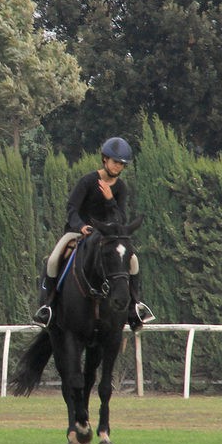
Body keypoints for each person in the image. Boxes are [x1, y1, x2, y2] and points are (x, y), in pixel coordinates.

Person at [32, 136, 155, 330]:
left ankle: (135, 306)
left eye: (122, 164)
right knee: (54, 259)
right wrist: (80, 226)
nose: (118, 167)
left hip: (108, 238)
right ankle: (48, 306)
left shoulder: (121, 188)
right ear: (105, 159)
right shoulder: (88, 181)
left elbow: (121, 219)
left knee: (133, 261)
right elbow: (72, 207)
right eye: (116, 162)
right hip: (80, 233)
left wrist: (109, 199)